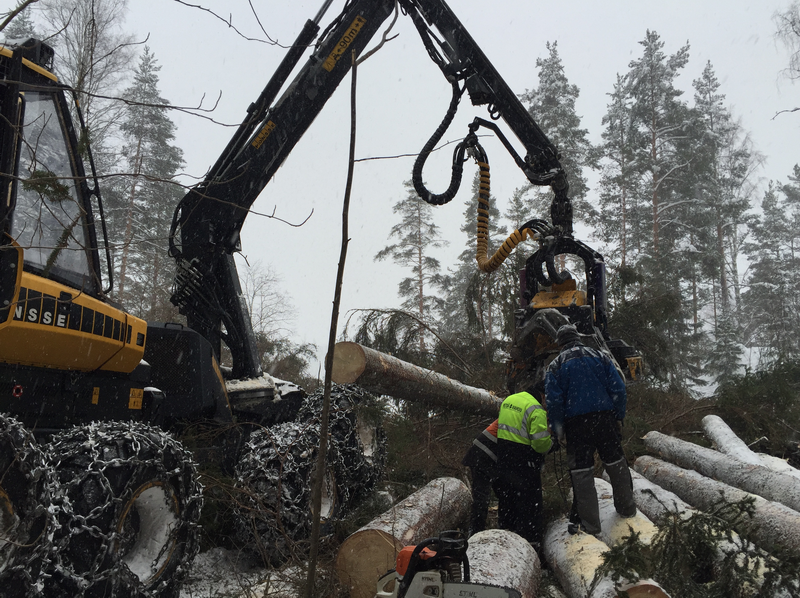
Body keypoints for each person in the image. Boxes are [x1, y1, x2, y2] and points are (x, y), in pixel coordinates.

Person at [544, 324, 636, 536]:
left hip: (576, 425)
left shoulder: (556, 365)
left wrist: (558, 431)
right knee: (616, 463)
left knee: (582, 473)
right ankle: (627, 509)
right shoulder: (600, 356)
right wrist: (618, 416)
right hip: (605, 419)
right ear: (577, 337)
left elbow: (554, 402)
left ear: (560, 343)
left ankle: (591, 526)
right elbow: (618, 388)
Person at [495, 390, 552, 546]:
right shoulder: (536, 409)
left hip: (504, 457)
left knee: (507, 501)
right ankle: (530, 543)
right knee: (530, 506)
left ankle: (505, 535)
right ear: (543, 395)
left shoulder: (510, 400)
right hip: (524, 463)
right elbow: (540, 444)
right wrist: (552, 443)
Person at [461, 419, 499, 536]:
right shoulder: (532, 416)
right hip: (483, 455)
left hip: (484, 455)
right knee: (482, 497)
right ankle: (475, 532)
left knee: (484, 497)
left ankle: (477, 529)